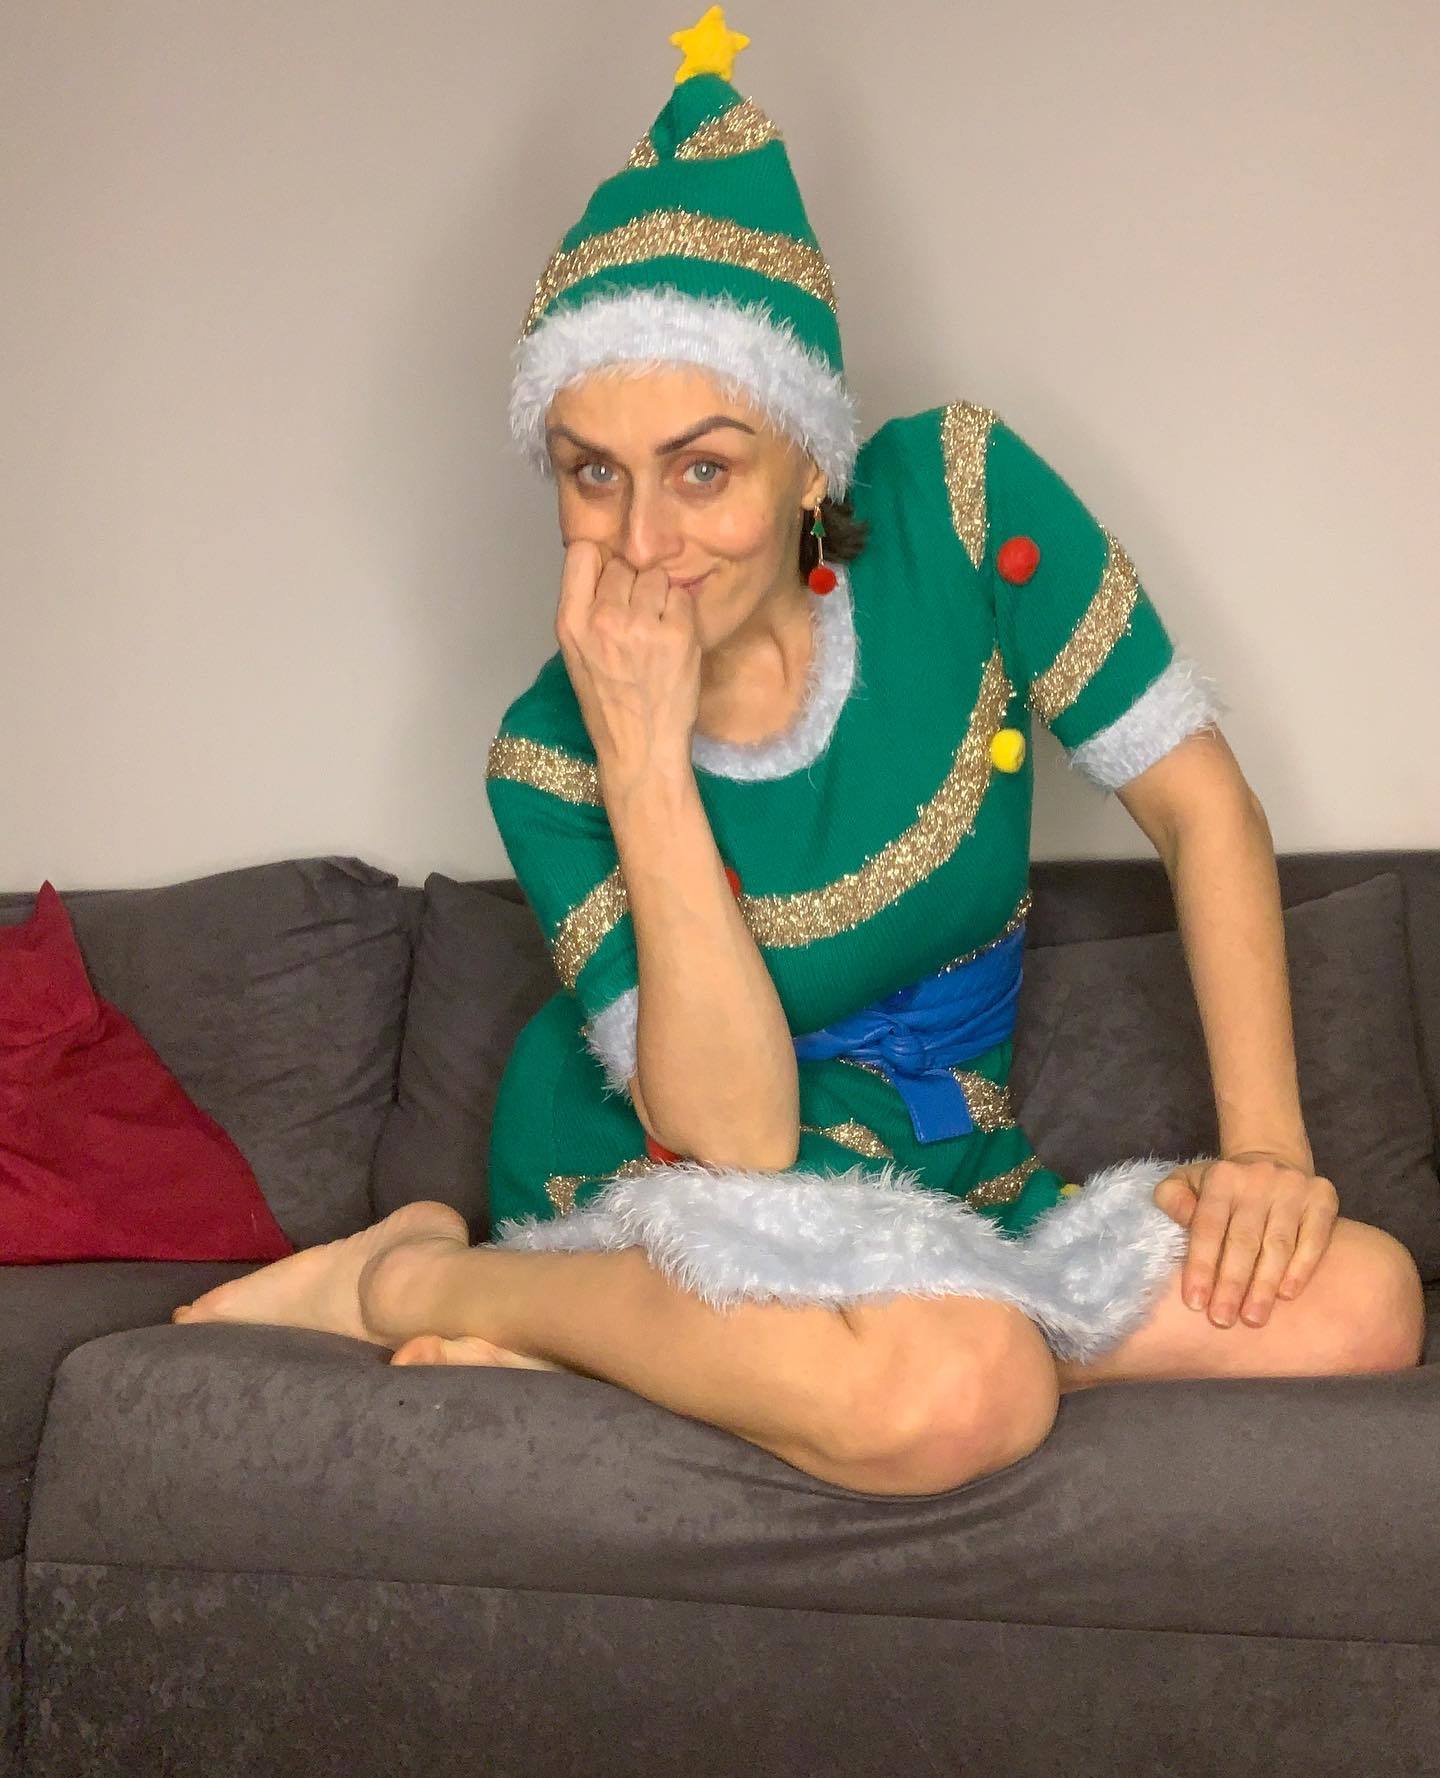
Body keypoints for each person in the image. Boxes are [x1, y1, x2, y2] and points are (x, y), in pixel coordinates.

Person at [173, 8, 1426, 1495]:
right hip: (677, 1180)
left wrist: (1267, 1151)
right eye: (592, 472)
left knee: (1364, 1302)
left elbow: (1201, 806)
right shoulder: (549, 756)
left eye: (703, 468)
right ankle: (425, 1280)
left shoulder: (964, 506)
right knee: (963, 1387)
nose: (646, 542)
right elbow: (742, 1137)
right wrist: (643, 758)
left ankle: (680, 1356)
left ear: (810, 462)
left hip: (947, 1174)